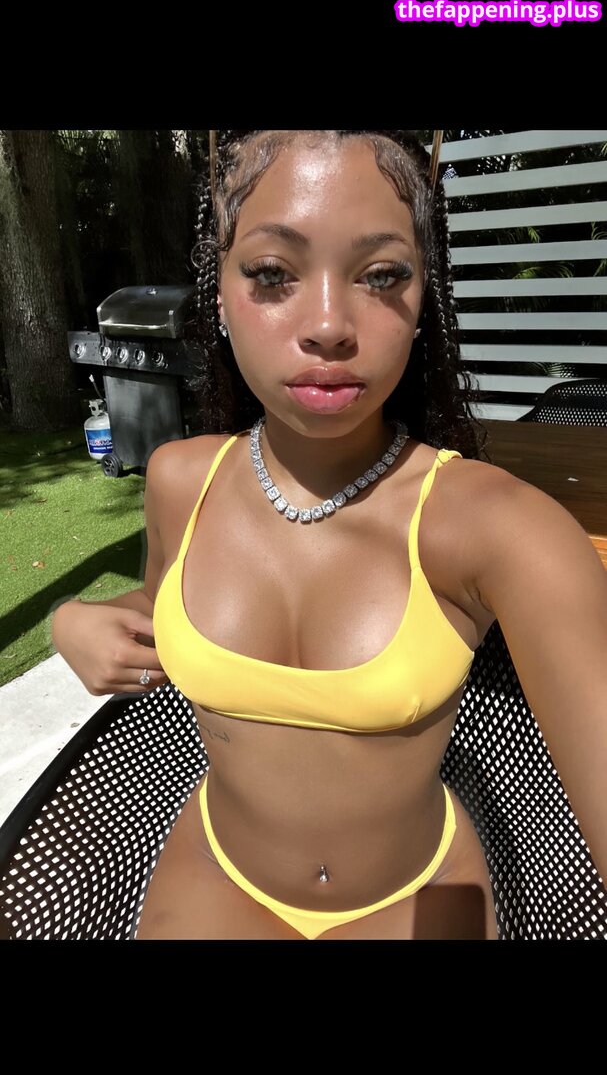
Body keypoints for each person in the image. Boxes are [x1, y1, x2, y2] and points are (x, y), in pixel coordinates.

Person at [51, 130, 607, 940]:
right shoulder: (179, 479)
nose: (327, 325)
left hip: (415, 891)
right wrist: (78, 616)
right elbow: (164, 600)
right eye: (271, 272)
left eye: (380, 275)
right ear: (217, 295)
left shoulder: (503, 530)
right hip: (215, 870)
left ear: (422, 302)